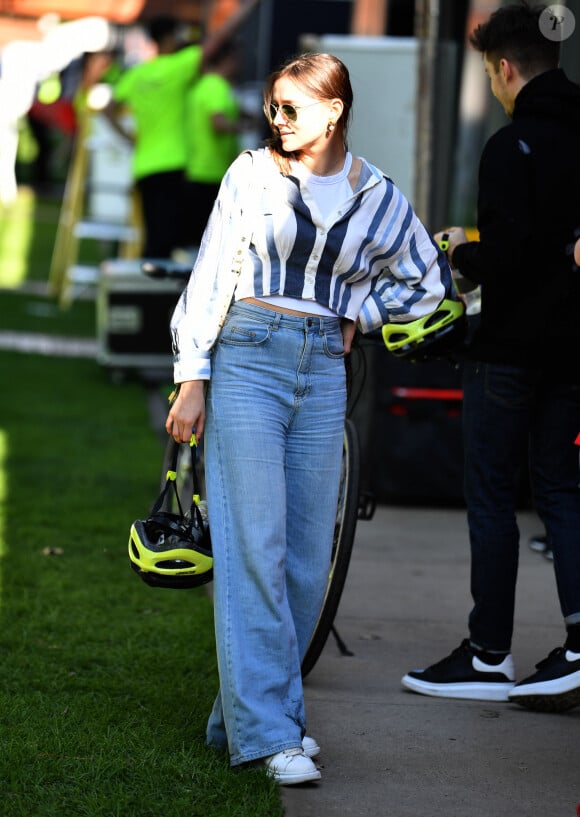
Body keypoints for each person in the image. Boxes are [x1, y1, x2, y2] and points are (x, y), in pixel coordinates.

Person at [166, 51, 453, 784]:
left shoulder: (378, 195)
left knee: (303, 563)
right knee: (253, 547)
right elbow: (211, 273)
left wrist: (358, 308)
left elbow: (427, 282)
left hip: (325, 368)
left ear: (334, 112)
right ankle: (270, 733)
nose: (278, 121)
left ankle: (244, 714)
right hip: (247, 359)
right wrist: (191, 375)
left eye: (292, 109)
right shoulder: (251, 176)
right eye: (273, 108)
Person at [401, 2, 580, 712]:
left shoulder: (511, 147)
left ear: (504, 69)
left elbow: (509, 259)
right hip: (573, 351)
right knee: (562, 490)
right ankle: (576, 641)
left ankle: (488, 654)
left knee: (492, 498)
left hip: (508, 351)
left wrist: (456, 248)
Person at [104, 0, 262, 258]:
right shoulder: (180, 67)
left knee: (154, 235)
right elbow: (219, 37)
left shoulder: (136, 74)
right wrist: (247, 8)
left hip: (144, 164)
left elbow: (108, 108)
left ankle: (146, 291)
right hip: (176, 164)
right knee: (172, 240)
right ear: (168, 38)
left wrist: (129, 138)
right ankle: (157, 295)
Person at [181, 39, 258, 248]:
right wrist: (244, 128)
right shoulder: (217, 86)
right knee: (207, 236)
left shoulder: (204, 85)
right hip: (210, 171)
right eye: (237, 59)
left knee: (196, 233)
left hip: (197, 167)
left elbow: (227, 110)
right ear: (227, 60)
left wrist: (247, 115)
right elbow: (218, 122)